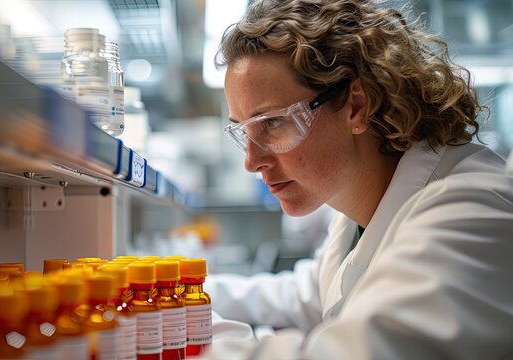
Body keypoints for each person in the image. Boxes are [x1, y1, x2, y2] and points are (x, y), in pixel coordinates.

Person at [202, 0, 513, 359]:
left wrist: (196, 336)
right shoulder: (355, 217)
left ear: (356, 106)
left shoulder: (469, 214)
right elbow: (304, 295)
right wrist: (180, 291)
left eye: (272, 123)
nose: (252, 162)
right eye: (244, 131)